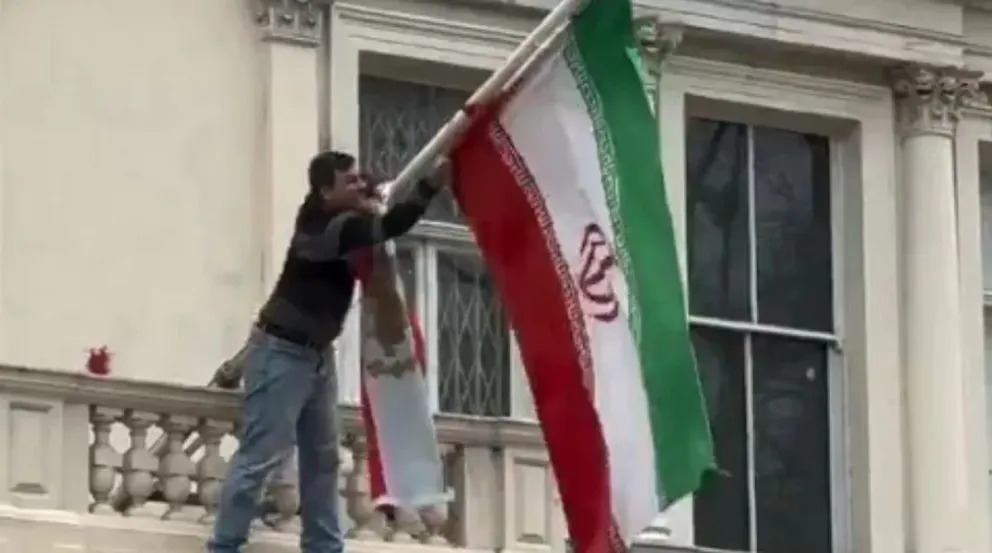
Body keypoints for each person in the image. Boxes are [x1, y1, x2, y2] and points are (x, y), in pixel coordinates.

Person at [207, 150, 445, 553]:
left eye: (359, 178)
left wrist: (373, 191)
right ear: (325, 190)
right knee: (259, 457)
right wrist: (429, 188)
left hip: (316, 355)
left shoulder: (336, 214)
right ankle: (224, 546)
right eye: (349, 181)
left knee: (323, 460)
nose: (359, 184)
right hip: (282, 352)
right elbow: (389, 225)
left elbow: (372, 205)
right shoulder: (326, 226)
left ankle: (324, 546)